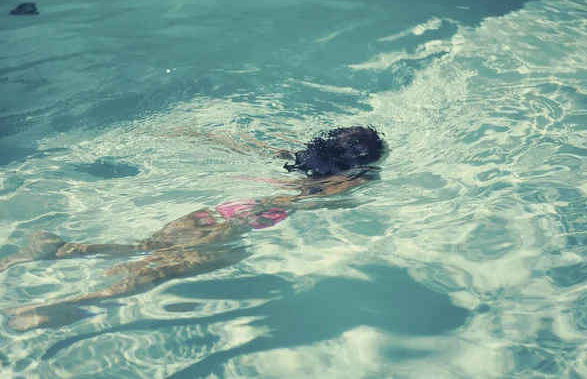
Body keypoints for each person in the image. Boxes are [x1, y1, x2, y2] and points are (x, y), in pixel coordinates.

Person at [1, 126, 386, 330]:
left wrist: (184, 133)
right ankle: (65, 307)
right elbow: (326, 195)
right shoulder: (356, 177)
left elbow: (240, 142)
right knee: (155, 273)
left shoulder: (298, 155)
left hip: (219, 210)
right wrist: (366, 176)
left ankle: (63, 249)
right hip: (242, 224)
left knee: (141, 248)